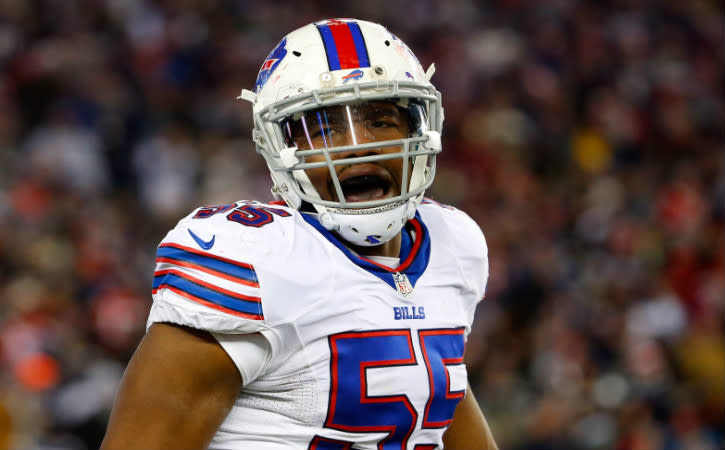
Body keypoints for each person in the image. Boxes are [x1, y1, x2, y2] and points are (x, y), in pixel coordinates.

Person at [101, 18, 498, 450]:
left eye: (382, 120)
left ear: (420, 130)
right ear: (280, 149)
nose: (358, 144)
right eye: (325, 129)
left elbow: (433, 395)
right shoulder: (253, 258)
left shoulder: (453, 242)